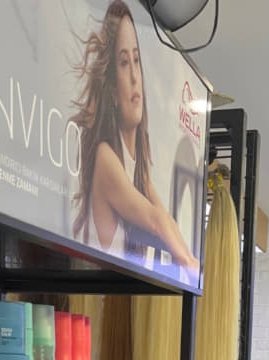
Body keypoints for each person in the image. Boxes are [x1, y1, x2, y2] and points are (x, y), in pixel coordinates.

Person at [70, 0, 199, 282]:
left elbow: (164, 219)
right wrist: (190, 266)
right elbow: (155, 221)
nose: (134, 77)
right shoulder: (106, 158)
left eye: (137, 61)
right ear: (112, 89)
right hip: (99, 295)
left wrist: (191, 263)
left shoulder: (138, 169)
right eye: (124, 62)